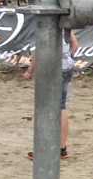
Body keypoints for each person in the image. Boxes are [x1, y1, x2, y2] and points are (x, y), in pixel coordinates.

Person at [24, 29, 79, 161]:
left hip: (52, 70)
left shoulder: (45, 27)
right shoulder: (65, 24)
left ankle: (44, 148)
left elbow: (39, 52)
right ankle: (61, 147)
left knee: (46, 108)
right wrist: (66, 58)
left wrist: (29, 71)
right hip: (66, 68)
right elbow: (75, 45)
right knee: (61, 106)